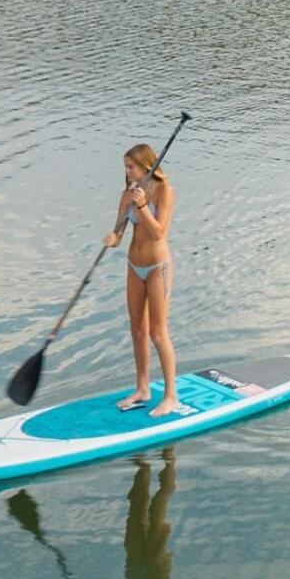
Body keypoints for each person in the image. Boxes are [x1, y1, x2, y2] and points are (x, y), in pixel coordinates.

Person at [105, 141, 182, 415]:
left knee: (157, 332)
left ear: (146, 166)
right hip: (134, 265)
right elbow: (119, 232)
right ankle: (142, 388)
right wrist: (113, 238)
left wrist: (144, 207)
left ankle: (171, 396)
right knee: (137, 329)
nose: (127, 171)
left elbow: (159, 232)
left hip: (157, 267)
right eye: (125, 167)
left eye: (131, 166)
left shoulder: (163, 191)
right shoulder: (127, 195)